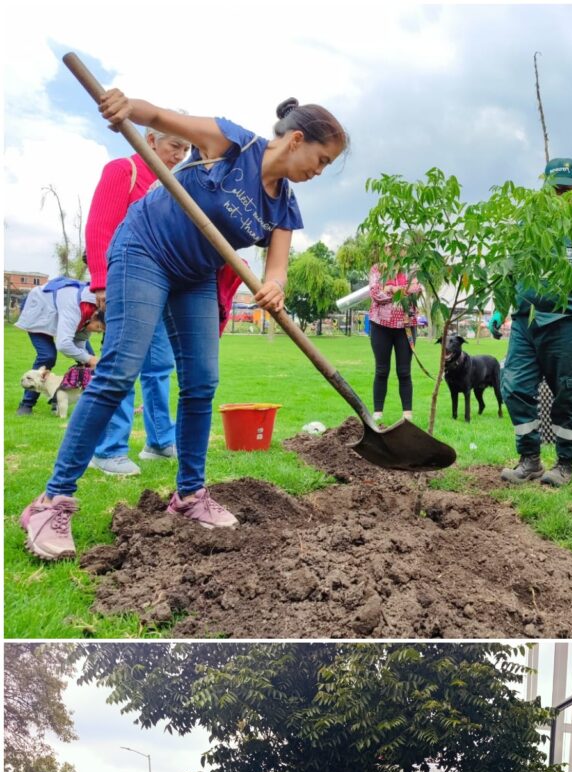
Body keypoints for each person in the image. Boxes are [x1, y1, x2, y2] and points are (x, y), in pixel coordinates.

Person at [23, 95, 342, 564]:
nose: (321, 170)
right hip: (145, 250)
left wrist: (273, 288)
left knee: (201, 383)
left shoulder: (285, 208)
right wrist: (123, 106)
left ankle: (189, 496)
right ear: (296, 140)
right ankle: (50, 504)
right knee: (118, 370)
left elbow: (277, 270)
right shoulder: (235, 143)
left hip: (195, 275)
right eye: (322, 159)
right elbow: (155, 118)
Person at [496, 158, 572, 492]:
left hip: (567, 323)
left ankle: (564, 464)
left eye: (568, 189)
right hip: (526, 322)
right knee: (514, 387)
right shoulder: (529, 224)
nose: (562, 195)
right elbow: (510, 267)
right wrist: (500, 307)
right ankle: (529, 461)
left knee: (567, 393)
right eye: (555, 189)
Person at [78, 125, 189, 467]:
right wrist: (101, 283)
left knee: (159, 366)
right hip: (124, 283)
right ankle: (108, 449)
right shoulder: (123, 171)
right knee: (121, 366)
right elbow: (99, 226)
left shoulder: (175, 185)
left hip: (161, 290)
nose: (181, 155)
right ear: (151, 140)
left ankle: (159, 441)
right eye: (175, 146)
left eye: (186, 149)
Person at [330, 260, 429, 428]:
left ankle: (407, 415)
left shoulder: (412, 268)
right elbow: (376, 294)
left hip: (405, 326)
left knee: (404, 371)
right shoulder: (377, 269)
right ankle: (377, 413)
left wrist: (389, 289)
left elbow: (415, 291)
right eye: (389, 247)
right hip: (380, 326)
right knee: (382, 370)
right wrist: (397, 291)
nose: (394, 251)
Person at [14, 274, 98, 421]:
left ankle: (70, 401)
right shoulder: (75, 304)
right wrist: (89, 358)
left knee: (87, 360)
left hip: (62, 317)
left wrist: (88, 359)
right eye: (98, 327)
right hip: (39, 311)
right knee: (47, 356)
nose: (98, 331)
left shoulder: (90, 310)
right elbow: (64, 344)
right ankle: (26, 404)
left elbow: (78, 344)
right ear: (94, 316)